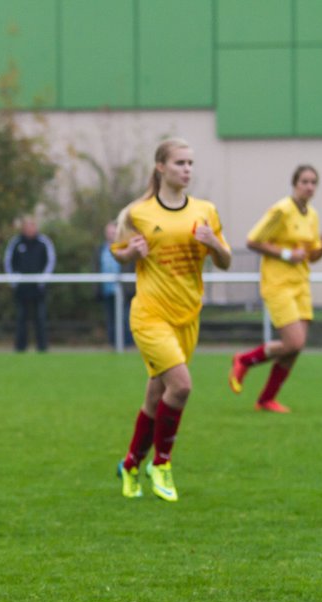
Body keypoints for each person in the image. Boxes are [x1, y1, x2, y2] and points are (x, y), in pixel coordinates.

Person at [112, 138, 231, 502]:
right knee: (180, 386)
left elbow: (224, 261)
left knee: (155, 397)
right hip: (150, 315)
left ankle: (131, 464)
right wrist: (130, 252)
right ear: (161, 167)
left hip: (187, 316)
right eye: (180, 163)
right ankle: (161, 464)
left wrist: (213, 243)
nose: (187, 170)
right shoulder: (138, 213)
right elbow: (118, 253)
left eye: (191, 163)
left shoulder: (205, 210)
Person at [230, 164, 322, 413]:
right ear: (294, 184)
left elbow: (308, 257)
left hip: (300, 284)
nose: (309, 186)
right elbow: (252, 241)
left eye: (313, 182)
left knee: (295, 348)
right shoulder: (281, 210)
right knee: (293, 342)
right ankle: (244, 359)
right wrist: (286, 253)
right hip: (278, 284)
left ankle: (266, 399)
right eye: (304, 181)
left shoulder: (312, 215)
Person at [3, 215, 56, 352]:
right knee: (21, 319)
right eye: (27, 226)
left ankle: (42, 347)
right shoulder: (16, 242)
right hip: (22, 288)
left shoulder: (44, 242)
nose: (30, 228)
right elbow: (8, 262)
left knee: (40, 318)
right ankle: (20, 347)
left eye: (32, 225)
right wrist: (14, 281)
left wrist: (43, 280)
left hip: (38, 289)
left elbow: (50, 261)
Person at [97, 221, 134, 348]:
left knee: (125, 318)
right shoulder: (101, 249)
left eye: (113, 232)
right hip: (107, 290)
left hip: (124, 290)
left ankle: (128, 345)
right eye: (109, 232)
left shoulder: (126, 248)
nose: (111, 235)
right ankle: (113, 344)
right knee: (111, 319)